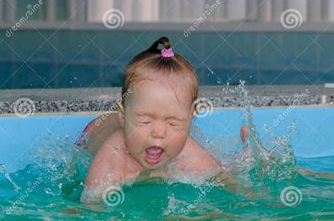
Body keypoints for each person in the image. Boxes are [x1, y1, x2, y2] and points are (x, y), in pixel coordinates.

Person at [78, 37, 247, 202]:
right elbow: (90, 209)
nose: (159, 132)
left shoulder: (186, 151)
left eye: (173, 123)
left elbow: (224, 180)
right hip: (94, 130)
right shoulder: (112, 159)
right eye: (145, 121)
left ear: (191, 119)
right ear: (123, 116)